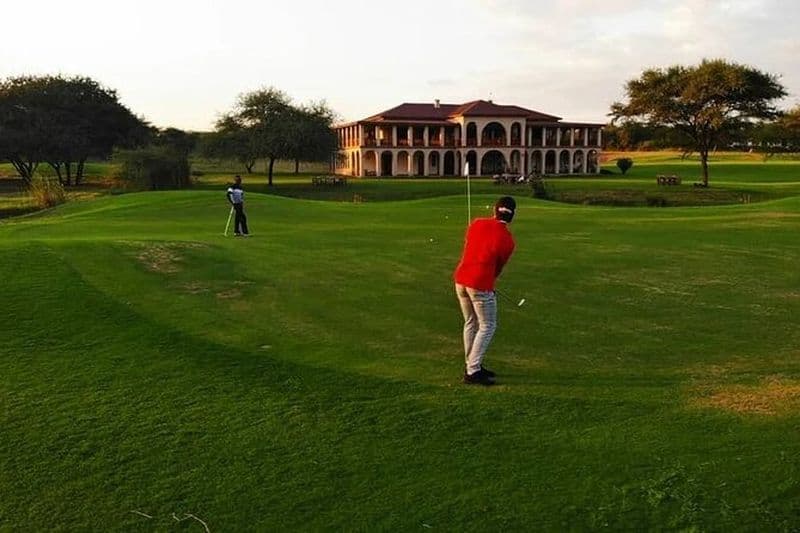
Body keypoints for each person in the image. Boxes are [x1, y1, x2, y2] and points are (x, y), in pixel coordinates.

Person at [454, 196, 516, 385]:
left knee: (471, 322)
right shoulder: (507, 240)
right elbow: (498, 267)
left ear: (495, 210)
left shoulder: (477, 223)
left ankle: (473, 364)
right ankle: (473, 370)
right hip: (479, 283)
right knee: (487, 326)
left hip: (460, 279)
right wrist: (489, 284)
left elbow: (470, 245)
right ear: (513, 215)